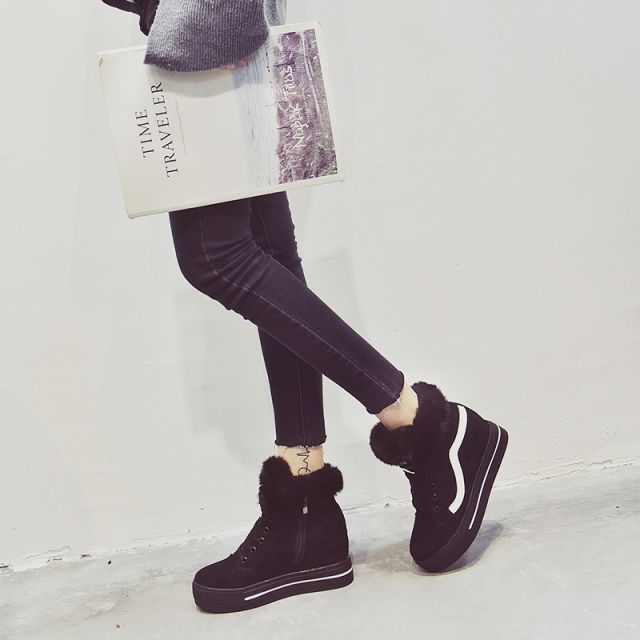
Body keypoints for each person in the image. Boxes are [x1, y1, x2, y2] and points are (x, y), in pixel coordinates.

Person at [101, 0, 509, 614]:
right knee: (263, 250)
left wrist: (216, 18)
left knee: (217, 258)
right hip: (207, 17)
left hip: (205, 16)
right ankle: (306, 507)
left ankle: (424, 421)